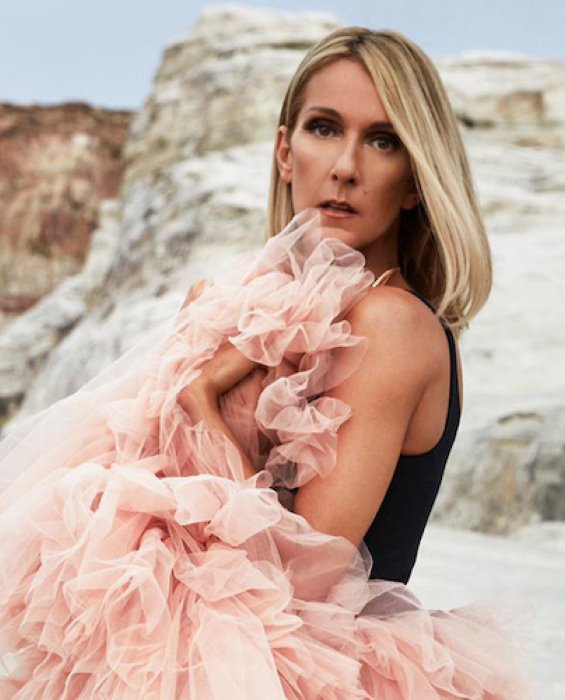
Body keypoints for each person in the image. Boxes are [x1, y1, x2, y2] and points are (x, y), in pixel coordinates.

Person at [0, 26, 534, 699]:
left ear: (413, 181)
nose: (345, 167)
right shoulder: (247, 305)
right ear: (285, 152)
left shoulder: (390, 324)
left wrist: (203, 405)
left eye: (383, 140)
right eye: (324, 128)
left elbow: (304, 576)